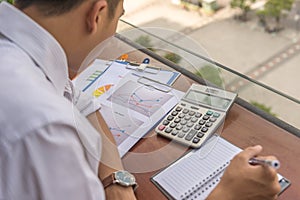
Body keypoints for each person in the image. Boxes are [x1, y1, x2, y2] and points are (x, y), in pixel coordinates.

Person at [0, 0, 280, 199]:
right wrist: (227, 194)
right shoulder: (44, 129)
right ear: (96, 14)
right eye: (118, 18)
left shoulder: (25, 54)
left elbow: (80, 102)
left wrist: (116, 182)